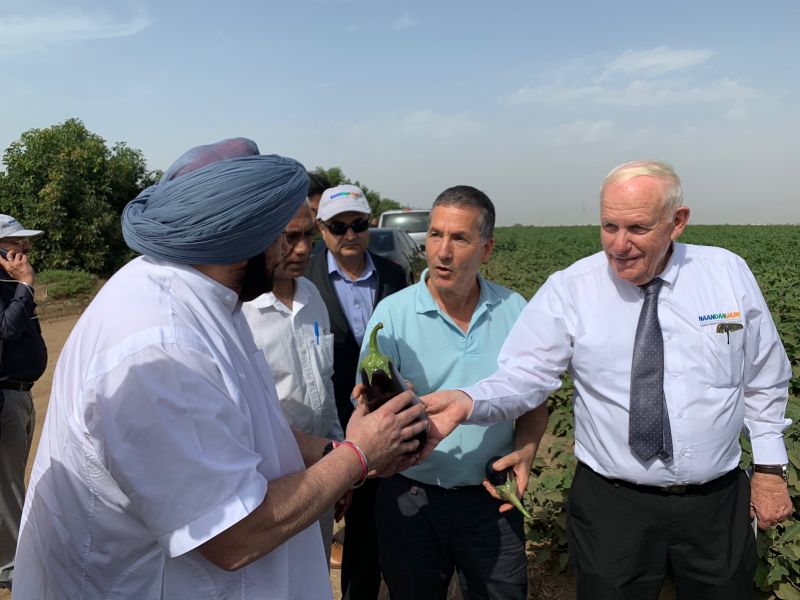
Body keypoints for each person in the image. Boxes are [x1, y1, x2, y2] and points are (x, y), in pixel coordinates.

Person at [13, 139, 427, 600]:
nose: (296, 251)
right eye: (283, 236)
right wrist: (358, 455)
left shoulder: (202, 298)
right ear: (247, 235)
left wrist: (328, 451)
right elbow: (233, 536)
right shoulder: (161, 344)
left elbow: (238, 427)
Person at [421, 160, 793, 600]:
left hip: (716, 502)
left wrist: (769, 469)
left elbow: (764, 377)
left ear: (677, 222)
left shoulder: (726, 275)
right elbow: (525, 374)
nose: (619, 245)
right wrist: (469, 401)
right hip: (613, 507)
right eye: (608, 226)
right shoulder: (571, 289)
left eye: (636, 227)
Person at [357, 186, 549, 599]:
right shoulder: (392, 315)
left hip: (491, 497)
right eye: (435, 235)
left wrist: (528, 449)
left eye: (459, 238)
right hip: (411, 497)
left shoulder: (515, 310)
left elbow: (535, 400)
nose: (442, 251)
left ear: (487, 249)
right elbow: (367, 407)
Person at [306, 184, 408, 599]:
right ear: (322, 229)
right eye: (338, 226)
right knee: (342, 518)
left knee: (388, 517)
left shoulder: (393, 274)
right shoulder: (306, 277)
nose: (350, 235)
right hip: (333, 421)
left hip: (386, 415)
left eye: (359, 225)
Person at [242, 200, 344, 567]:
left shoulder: (311, 297)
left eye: (308, 237)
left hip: (320, 468)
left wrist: (339, 451)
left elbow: (324, 383)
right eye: (289, 237)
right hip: (270, 482)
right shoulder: (241, 312)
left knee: (312, 571)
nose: (301, 249)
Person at [0, 215, 47, 591]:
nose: (26, 249)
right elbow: (7, 329)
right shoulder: (15, 284)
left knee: (11, 479)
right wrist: (26, 285)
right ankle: (12, 569)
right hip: (4, 398)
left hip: (21, 393)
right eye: (18, 242)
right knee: (9, 486)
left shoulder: (10, 284)